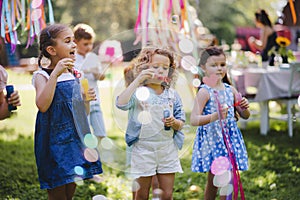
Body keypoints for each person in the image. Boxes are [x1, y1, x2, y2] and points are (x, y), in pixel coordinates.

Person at [32, 23, 103, 200]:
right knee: (57, 188)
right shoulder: (43, 76)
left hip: (75, 139)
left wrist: (86, 100)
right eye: (68, 41)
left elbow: (83, 113)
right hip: (54, 140)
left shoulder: (74, 74)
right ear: (51, 49)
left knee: (71, 184)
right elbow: (42, 105)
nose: (74, 45)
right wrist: (55, 74)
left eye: (73, 40)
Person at [116, 47, 185, 200]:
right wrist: (138, 80)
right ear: (144, 67)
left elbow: (181, 124)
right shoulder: (138, 93)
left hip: (167, 149)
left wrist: (174, 122)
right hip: (143, 149)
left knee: (167, 195)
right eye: (155, 67)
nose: (160, 71)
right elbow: (121, 104)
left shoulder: (172, 95)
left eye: (165, 68)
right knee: (141, 194)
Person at [190, 46, 250, 200]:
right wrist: (215, 116)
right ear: (203, 67)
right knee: (219, 181)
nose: (219, 68)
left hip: (229, 140)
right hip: (213, 141)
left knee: (219, 180)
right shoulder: (204, 92)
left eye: (222, 65)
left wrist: (244, 107)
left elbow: (245, 115)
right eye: (213, 65)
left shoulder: (230, 90)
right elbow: (194, 119)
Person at [73, 23, 106, 140]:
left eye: (90, 43)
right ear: (76, 42)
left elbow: (102, 76)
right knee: (84, 133)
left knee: (101, 132)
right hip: (81, 101)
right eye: (85, 44)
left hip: (95, 99)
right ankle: (87, 154)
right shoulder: (72, 59)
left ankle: (98, 152)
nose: (88, 47)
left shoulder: (93, 57)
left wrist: (97, 73)